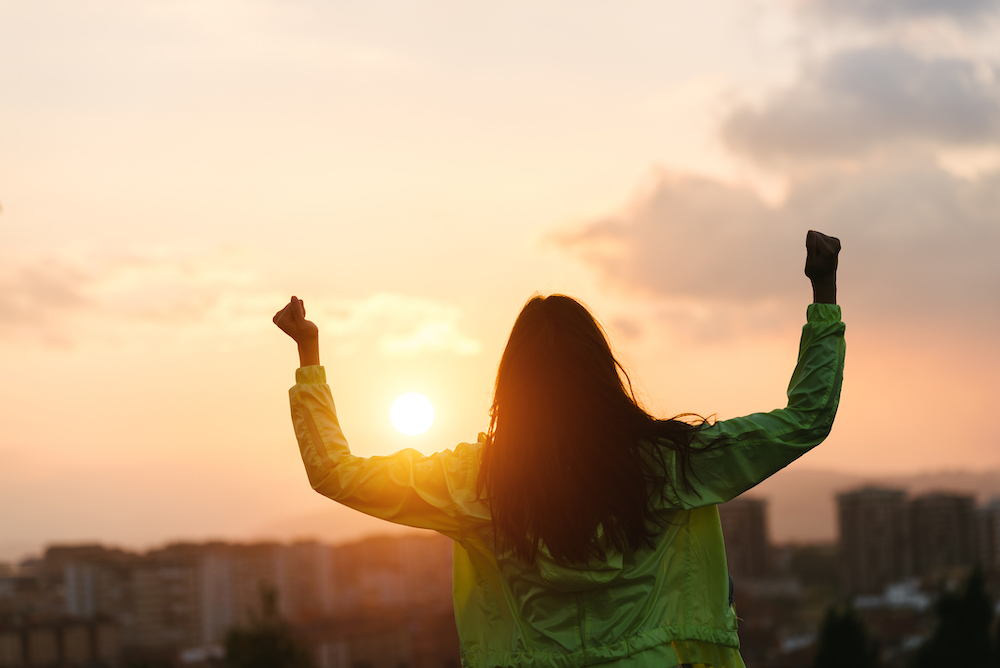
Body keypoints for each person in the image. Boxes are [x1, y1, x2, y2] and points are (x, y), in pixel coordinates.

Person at [273, 230, 844, 668]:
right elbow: (804, 421)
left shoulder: (478, 484)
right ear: (601, 373)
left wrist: (309, 355)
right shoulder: (669, 464)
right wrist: (823, 293)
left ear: (511, 388)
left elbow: (334, 472)